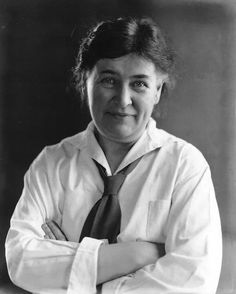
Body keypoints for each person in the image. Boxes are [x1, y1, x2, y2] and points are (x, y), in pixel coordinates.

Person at [5, 17, 222, 294]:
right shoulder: (52, 164)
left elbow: (193, 281)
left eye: (139, 84)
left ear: (158, 90)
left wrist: (73, 273)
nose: (122, 100)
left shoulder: (185, 166)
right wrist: (138, 256)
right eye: (109, 80)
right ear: (85, 80)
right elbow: (21, 261)